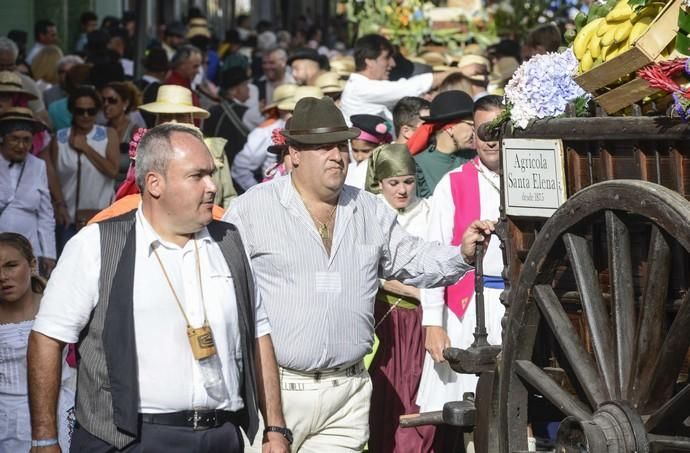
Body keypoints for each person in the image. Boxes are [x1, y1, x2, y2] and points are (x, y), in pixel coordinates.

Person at [223, 96, 495, 452]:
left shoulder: (368, 209)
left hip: (347, 394)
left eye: (341, 145)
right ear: (294, 154)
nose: (337, 155)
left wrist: (461, 254)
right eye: (323, 147)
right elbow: (225, 296)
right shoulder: (251, 211)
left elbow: (412, 256)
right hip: (278, 393)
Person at [27, 123, 290, 453]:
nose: (212, 186)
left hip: (220, 436)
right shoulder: (96, 244)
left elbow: (259, 334)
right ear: (155, 183)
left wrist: (276, 427)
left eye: (212, 174)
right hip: (128, 440)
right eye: (197, 176)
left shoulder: (230, 241)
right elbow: (47, 338)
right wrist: (45, 439)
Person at [416, 95, 506, 449]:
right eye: (485, 131)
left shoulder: (533, 177)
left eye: (500, 130)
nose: (492, 139)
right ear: (474, 135)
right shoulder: (452, 183)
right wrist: (433, 323)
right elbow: (433, 258)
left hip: (522, 303)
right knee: (468, 415)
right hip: (469, 310)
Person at [364, 144, 434, 453]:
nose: (403, 190)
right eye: (394, 183)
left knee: (418, 393)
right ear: (380, 183)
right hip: (383, 318)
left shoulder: (429, 212)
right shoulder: (368, 211)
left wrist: (422, 294)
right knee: (383, 392)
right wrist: (402, 287)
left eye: (407, 181)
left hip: (420, 321)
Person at [0, 233, 74, 452]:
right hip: (5, 421)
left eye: (11, 265)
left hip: (58, 411)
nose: (3, 276)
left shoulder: (59, 305)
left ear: (32, 265)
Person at [47, 85, 119, 253]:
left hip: (102, 217)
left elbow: (113, 171)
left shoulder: (108, 134)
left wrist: (86, 148)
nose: (86, 116)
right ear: (72, 111)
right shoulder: (60, 138)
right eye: (80, 111)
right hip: (68, 219)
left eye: (91, 111)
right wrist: (59, 205)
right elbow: (54, 176)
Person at [340, 34, 456, 122]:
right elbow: (408, 88)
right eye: (386, 58)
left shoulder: (363, 86)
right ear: (369, 61)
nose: (392, 64)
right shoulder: (360, 88)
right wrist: (457, 72)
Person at [0, 108, 55, 276]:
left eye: (26, 140)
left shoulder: (38, 166)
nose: (21, 146)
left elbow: (46, 214)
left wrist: (49, 253)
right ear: (2, 138)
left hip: (29, 246)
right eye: (15, 139)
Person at [230, 84, 304, 192]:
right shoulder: (264, 132)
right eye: (291, 110)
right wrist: (260, 193)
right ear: (281, 110)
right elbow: (240, 167)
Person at [408, 90, 477, 198]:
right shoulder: (418, 165)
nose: (475, 131)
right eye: (471, 125)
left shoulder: (475, 157)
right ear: (450, 128)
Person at [203, 67, 251, 165]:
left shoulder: (212, 111)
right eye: (245, 85)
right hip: (238, 167)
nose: (248, 88)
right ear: (233, 91)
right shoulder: (245, 113)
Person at [101, 81, 142, 185]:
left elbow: (141, 171)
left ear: (125, 103)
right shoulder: (99, 130)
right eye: (103, 100)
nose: (106, 104)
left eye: (112, 100)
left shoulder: (135, 132)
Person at [344, 113, 392, 189]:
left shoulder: (385, 172)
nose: (359, 157)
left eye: (365, 151)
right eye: (355, 150)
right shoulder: (348, 169)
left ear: (380, 146)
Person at [165, 45, 203, 110]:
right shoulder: (173, 87)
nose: (198, 71)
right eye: (195, 66)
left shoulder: (186, 82)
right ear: (182, 64)